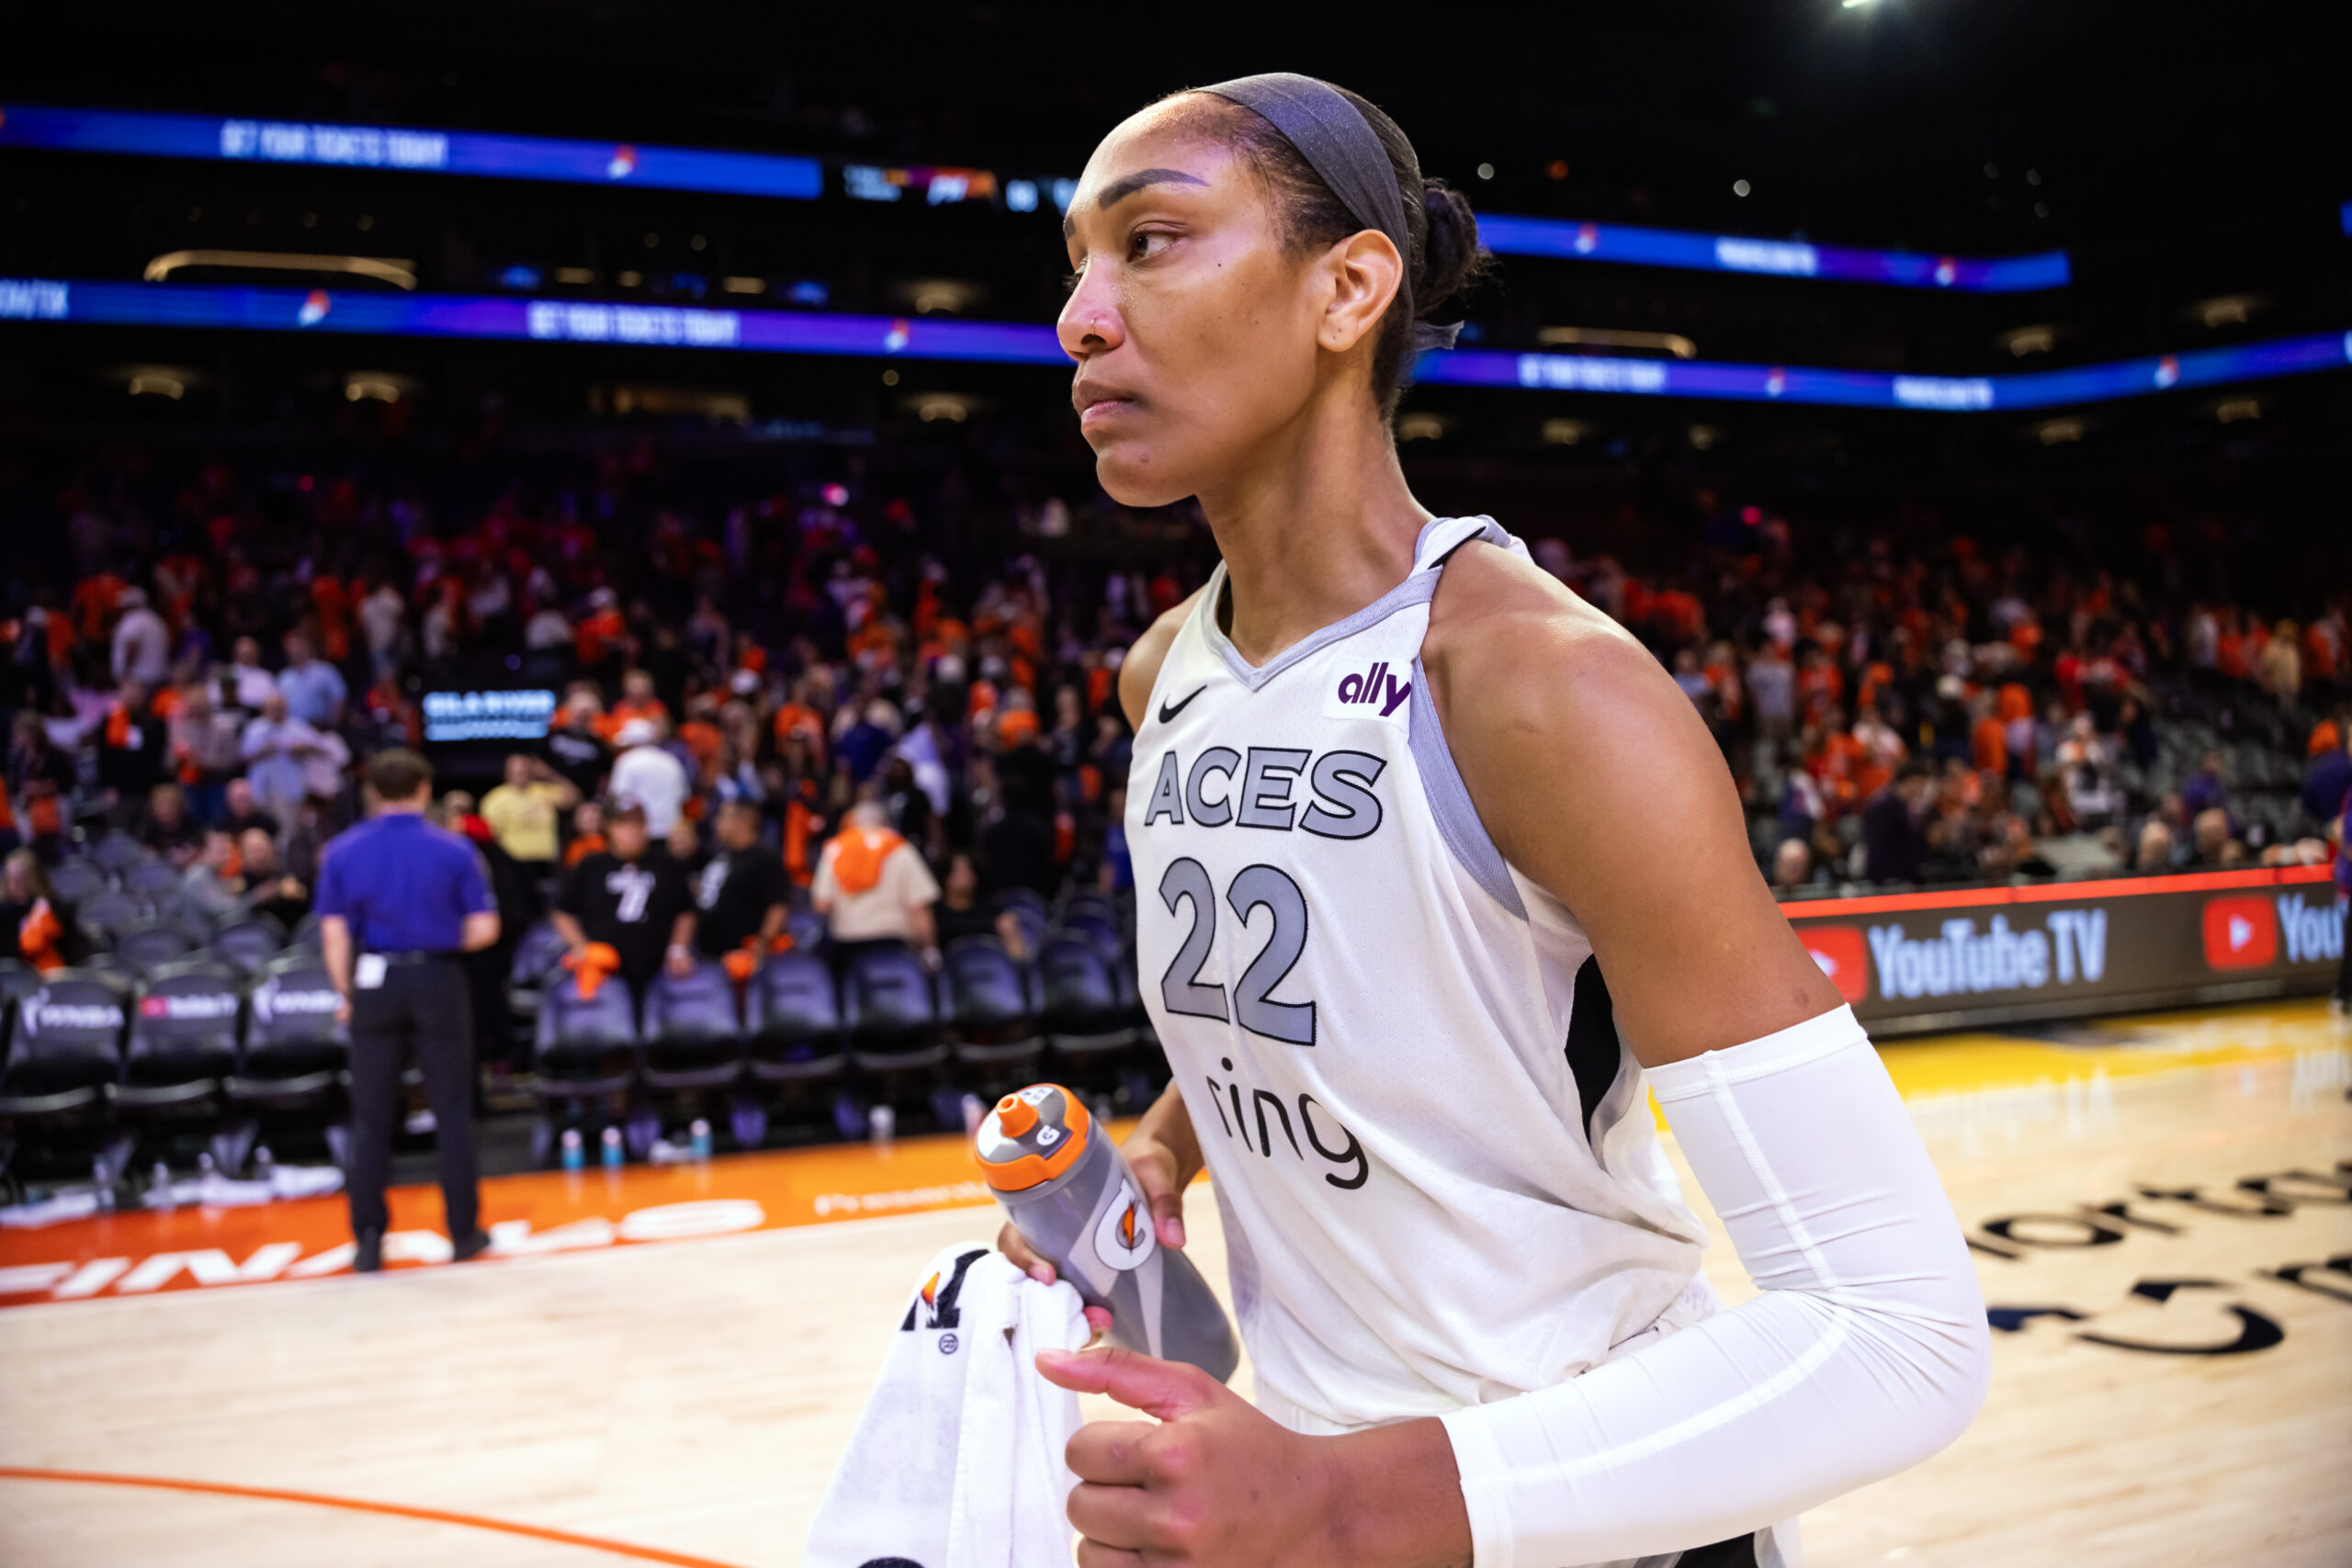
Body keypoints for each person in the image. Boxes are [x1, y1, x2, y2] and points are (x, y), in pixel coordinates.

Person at [999, 76, 1986, 1568]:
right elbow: (1348, 994)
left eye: (1150, 240)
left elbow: (1897, 1333)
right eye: (1074, 262)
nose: (1080, 315)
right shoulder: (1166, 673)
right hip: (1309, 1498)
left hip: (1575, 1500)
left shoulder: (1547, 687)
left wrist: (1337, 1504)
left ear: (1348, 287)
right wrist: (1161, 1148)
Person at [315, 748, 501, 1274]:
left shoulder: (342, 851)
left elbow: (333, 934)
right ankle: (463, 1232)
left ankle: (369, 1239)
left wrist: (344, 994)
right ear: (424, 790)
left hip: (373, 978)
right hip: (437, 976)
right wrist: (436, 940)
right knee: (452, 1111)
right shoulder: (454, 849)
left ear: (372, 791)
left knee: (371, 1117)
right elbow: (485, 928)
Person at [553, 798, 695, 992]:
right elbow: (562, 911)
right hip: (606, 969)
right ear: (610, 828)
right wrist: (582, 947)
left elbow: (685, 910)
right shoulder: (591, 866)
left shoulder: (667, 865)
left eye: (639, 823)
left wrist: (678, 948)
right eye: (625, 824)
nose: (633, 830)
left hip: (658, 969)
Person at [810, 799, 941, 958]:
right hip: (894, 943)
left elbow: (822, 905)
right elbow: (918, 908)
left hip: (848, 943)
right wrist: (930, 948)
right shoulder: (901, 848)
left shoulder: (836, 848)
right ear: (885, 823)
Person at [691, 798, 791, 962]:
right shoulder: (721, 857)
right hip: (707, 955)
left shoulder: (765, 859)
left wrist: (762, 943)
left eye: (722, 816)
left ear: (742, 822)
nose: (716, 822)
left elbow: (778, 905)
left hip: (742, 959)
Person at [480, 753, 580, 871]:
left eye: (524, 769)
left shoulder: (542, 790)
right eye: (516, 770)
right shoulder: (495, 798)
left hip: (546, 861)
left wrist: (550, 775)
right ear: (507, 772)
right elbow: (490, 834)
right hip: (514, 863)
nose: (521, 772)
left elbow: (574, 798)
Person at [607, 718, 689, 837]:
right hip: (672, 831)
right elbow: (683, 797)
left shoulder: (626, 760)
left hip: (640, 834)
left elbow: (618, 798)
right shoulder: (671, 761)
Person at [277, 629, 347, 729]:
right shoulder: (284, 677)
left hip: (323, 728)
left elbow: (339, 697)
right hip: (294, 732)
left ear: (308, 647)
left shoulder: (325, 670)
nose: (296, 650)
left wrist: (333, 725)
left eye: (299, 645)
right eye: (292, 647)